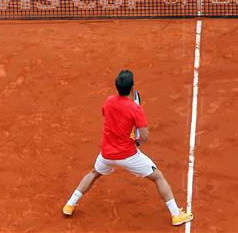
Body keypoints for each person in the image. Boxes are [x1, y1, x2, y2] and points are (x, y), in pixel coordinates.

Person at [62, 70, 194, 227]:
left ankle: (69, 204)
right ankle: (176, 215)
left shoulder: (109, 101)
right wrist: (136, 140)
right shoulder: (135, 109)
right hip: (128, 155)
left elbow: (109, 115)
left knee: (94, 173)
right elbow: (144, 136)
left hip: (106, 154)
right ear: (132, 88)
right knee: (158, 176)